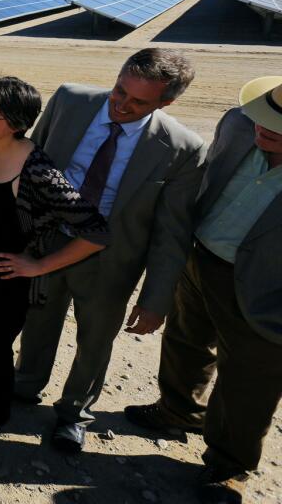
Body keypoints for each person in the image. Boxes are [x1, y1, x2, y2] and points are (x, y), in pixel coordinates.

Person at [12, 48, 204, 452]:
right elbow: (31, 164)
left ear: (166, 102)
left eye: (138, 102)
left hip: (111, 262)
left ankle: (74, 412)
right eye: (119, 91)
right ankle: (24, 387)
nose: (121, 105)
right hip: (48, 241)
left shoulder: (183, 149)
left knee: (95, 340)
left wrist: (156, 299)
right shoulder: (69, 101)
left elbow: (172, 233)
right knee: (37, 321)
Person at [125, 76, 282, 504]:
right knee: (185, 341)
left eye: (277, 127)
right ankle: (178, 409)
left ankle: (230, 465)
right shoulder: (238, 123)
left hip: (268, 292)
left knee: (248, 384)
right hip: (200, 259)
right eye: (264, 116)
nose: (262, 128)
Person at [0, 78, 108, 453]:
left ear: (16, 123)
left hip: (6, 278)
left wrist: (39, 265)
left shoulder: (37, 172)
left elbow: (96, 231)